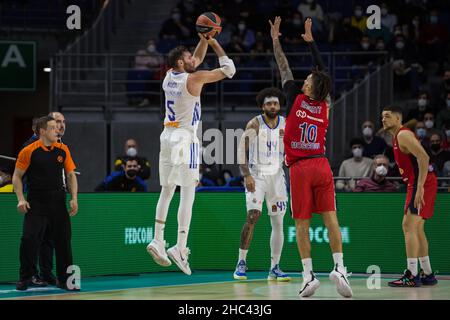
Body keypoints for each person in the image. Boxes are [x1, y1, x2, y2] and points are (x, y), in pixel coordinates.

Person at [271, 17, 352, 298]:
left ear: (308, 88)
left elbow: (283, 66)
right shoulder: (326, 104)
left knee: (302, 224)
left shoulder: (294, 96)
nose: (304, 79)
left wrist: (275, 40)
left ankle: (308, 276)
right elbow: (323, 72)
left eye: (307, 79)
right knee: (331, 219)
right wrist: (311, 42)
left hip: (301, 168)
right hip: (322, 164)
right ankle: (340, 268)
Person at [146, 33, 235, 275]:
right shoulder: (194, 79)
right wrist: (216, 42)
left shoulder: (168, 77)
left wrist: (204, 39)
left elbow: (195, 57)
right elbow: (229, 70)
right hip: (186, 137)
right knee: (188, 192)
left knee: (166, 191)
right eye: (188, 58)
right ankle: (180, 247)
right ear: (181, 64)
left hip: (166, 135)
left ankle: (157, 239)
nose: (193, 59)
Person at [12, 116, 79, 291]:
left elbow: (71, 175)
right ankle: (26, 277)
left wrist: (74, 198)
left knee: (63, 242)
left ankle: (65, 280)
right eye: (52, 128)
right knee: (29, 240)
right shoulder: (28, 151)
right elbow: (17, 176)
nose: (57, 130)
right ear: (42, 131)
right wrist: (20, 198)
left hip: (58, 201)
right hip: (36, 202)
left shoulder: (63, 149)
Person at [233, 87, 290, 282]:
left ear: (279, 105)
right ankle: (241, 262)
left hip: (277, 177)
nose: (272, 106)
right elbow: (241, 151)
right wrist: (247, 175)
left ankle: (275, 267)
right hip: (257, 176)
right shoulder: (255, 124)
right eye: (268, 103)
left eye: (275, 103)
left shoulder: (286, 123)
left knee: (278, 222)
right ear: (262, 106)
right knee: (253, 216)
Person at [381, 106, 438, 287]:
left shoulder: (403, 135)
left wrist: (420, 186)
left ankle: (412, 274)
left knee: (408, 226)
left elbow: (424, 157)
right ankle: (428, 273)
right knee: (417, 228)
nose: (383, 119)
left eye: (387, 116)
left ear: (398, 119)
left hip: (421, 182)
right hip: (420, 182)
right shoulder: (396, 137)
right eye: (382, 117)